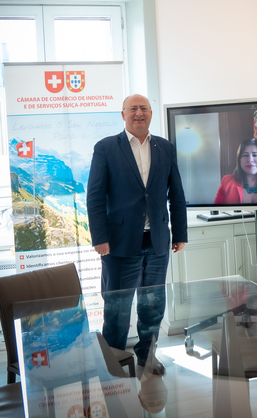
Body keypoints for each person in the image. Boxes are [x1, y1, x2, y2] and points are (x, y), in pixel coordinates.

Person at [87, 94, 187, 374]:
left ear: (151, 113)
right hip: (118, 244)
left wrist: (180, 233)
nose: (139, 113)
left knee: (153, 305)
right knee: (117, 308)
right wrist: (99, 238)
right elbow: (95, 196)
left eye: (144, 108)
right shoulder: (106, 147)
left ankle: (147, 356)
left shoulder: (165, 147)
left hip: (157, 241)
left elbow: (177, 193)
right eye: (133, 108)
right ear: (123, 114)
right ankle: (114, 362)